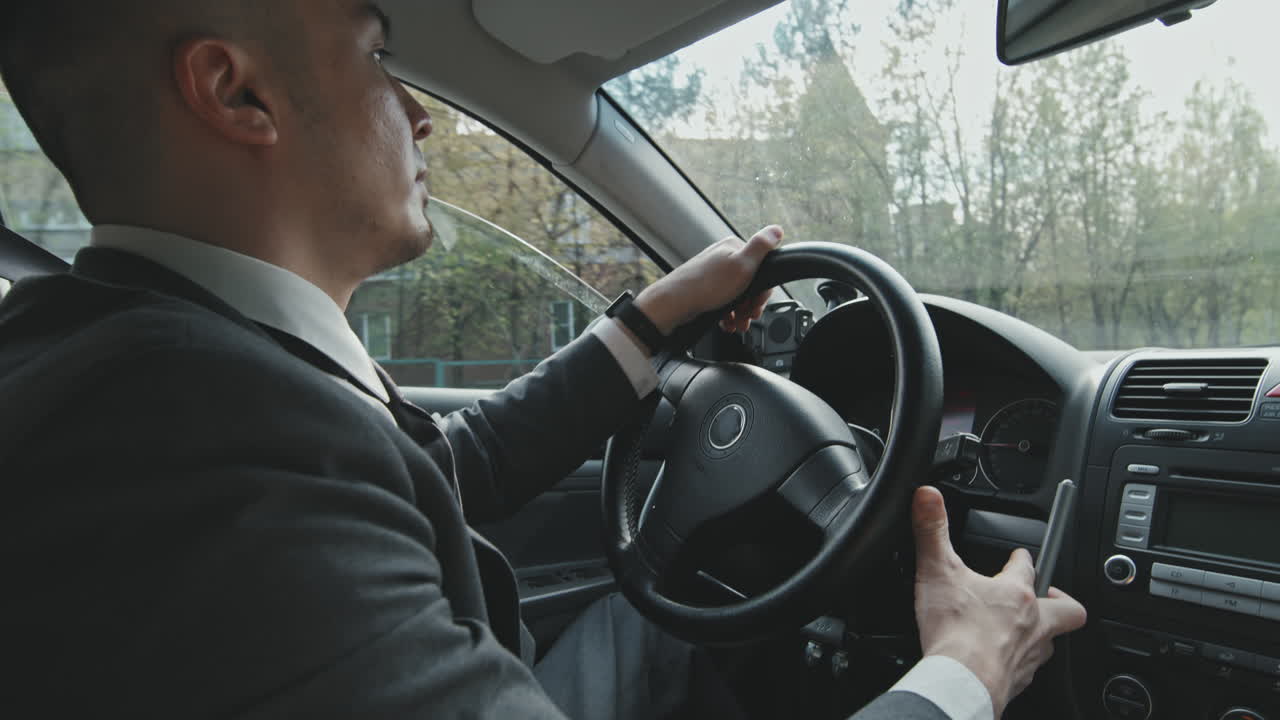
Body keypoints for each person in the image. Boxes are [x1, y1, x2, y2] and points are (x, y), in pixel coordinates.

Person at [0, 2, 1086, 718]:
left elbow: (440, 468)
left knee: (647, 618)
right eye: (378, 57)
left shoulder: (156, 355)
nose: (419, 116)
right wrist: (963, 671)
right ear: (237, 94)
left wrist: (655, 316)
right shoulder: (196, 438)